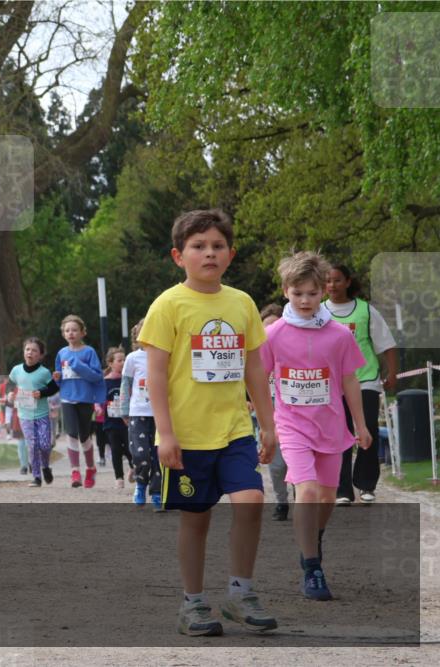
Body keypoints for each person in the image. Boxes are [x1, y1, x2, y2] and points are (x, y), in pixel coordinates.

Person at [139, 209, 277, 637]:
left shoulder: (242, 303)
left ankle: (240, 593)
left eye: (218, 246)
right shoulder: (168, 304)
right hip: (187, 435)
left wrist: (268, 425)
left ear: (231, 255)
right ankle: (193, 604)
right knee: (196, 518)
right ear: (179, 256)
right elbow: (156, 375)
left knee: (251, 501)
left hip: (235, 429)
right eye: (199, 246)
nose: (209, 253)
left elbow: (255, 367)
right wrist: (165, 433)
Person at [260, 251, 372, 601]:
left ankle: (314, 538)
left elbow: (351, 380)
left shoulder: (339, 335)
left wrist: (362, 425)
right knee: (306, 492)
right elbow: (259, 377)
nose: (305, 300)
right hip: (292, 426)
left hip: (331, 427)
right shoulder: (274, 334)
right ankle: (312, 568)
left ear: (323, 291)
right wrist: (266, 424)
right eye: (297, 294)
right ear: (285, 291)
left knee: (326, 497)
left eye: (311, 293)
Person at [325, 264, 398, 505]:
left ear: (347, 282)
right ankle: (342, 489)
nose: (332, 285)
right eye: (327, 281)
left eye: (337, 280)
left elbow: (387, 344)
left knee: (368, 430)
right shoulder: (320, 312)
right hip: (332, 384)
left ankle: (366, 484)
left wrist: (392, 373)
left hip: (364, 379)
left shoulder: (366, 311)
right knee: (339, 434)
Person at [53, 315, 106, 489]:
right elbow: (59, 379)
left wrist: (78, 366)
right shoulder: (61, 353)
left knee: (84, 437)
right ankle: (75, 471)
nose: (71, 333)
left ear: (82, 332)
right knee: (71, 434)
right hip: (67, 399)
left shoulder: (88, 352)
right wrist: (57, 378)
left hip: (85, 398)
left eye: (74, 330)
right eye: (67, 330)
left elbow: (96, 376)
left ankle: (90, 469)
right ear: (63, 334)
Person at [120, 319, 163, 511]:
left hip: (161, 413)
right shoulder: (132, 358)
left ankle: (156, 492)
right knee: (140, 454)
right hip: (138, 412)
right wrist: (124, 409)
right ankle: (140, 483)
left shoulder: (165, 355)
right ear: (137, 335)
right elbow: (126, 385)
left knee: (158, 455)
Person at [8, 337, 60, 487]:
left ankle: (45, 467)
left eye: (34, 350)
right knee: (32, 445)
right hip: (25, 415)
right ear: (24, 352)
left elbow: (54, 388)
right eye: (27, 349)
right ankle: (36, 477)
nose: (30, 352)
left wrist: (42, 393)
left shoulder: (44, 373)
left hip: (42, 414)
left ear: (40, 355)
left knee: (44, 445)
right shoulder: (16, 370)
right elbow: (11, 384)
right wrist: (10, 394)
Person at [258, 303, 290, 521]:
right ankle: (281, 501)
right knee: (277, 465)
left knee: (297, 460)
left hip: (292, 408)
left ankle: (304, 497)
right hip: (268, 409)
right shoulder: (257, 353)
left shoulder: (295, 350)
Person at [99, 346, 134, 489]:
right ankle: (118, 478)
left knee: (130, 447)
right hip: (111, 421)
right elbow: (99, 398)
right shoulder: (105, 381)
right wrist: (97, 406)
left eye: (125, 359)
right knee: (115, 449)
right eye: (120, 360)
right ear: (111, 363)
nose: (123, 362)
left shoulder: (129, 379)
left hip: (127, 421)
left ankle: (134, 467)